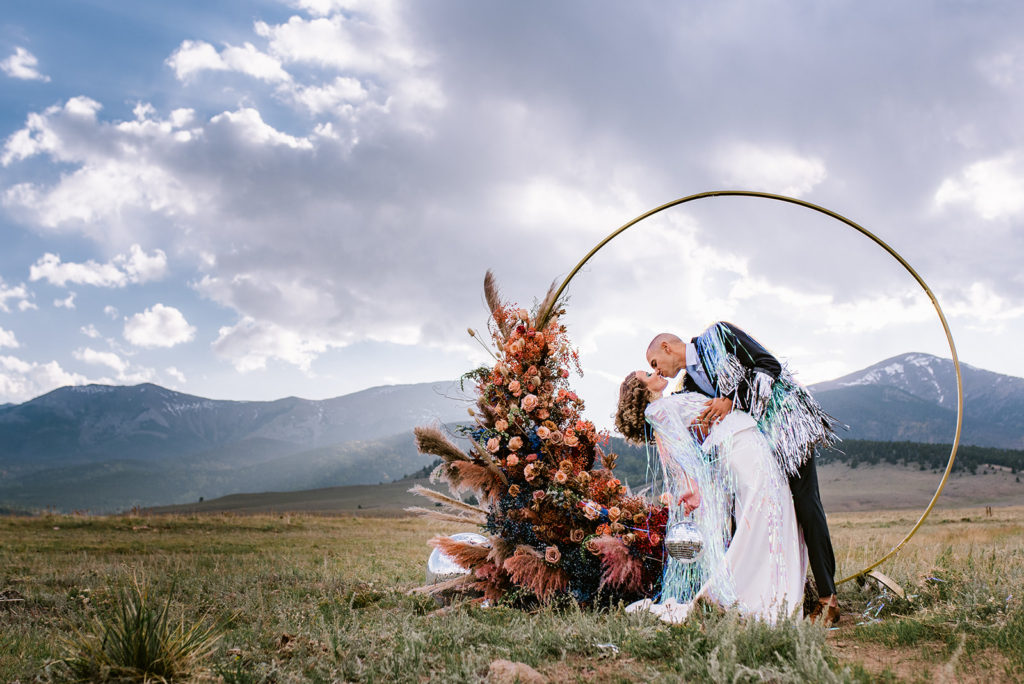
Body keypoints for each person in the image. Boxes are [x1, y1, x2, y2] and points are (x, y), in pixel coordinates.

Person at [645, 323, 841, 626]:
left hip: (784, 426)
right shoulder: (691, 385)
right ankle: (765, 593)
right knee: (753, 515)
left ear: (667, 347)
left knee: (805, 504)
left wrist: (729, 396)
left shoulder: (717, 336)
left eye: (655, 363)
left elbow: (768, 364)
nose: (659, 372)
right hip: (755, 446)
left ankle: (828, 599)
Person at [615, 371, 808, 624]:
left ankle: (759, 591)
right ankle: (749, 593)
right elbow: (673, 451)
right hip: (736, 444)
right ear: (640, 388)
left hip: (735, 441)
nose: (657, 373)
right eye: (649, 373)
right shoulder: (655, 410)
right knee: (762, 517)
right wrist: (690, 485)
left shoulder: (665, 404)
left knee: (764, 518)